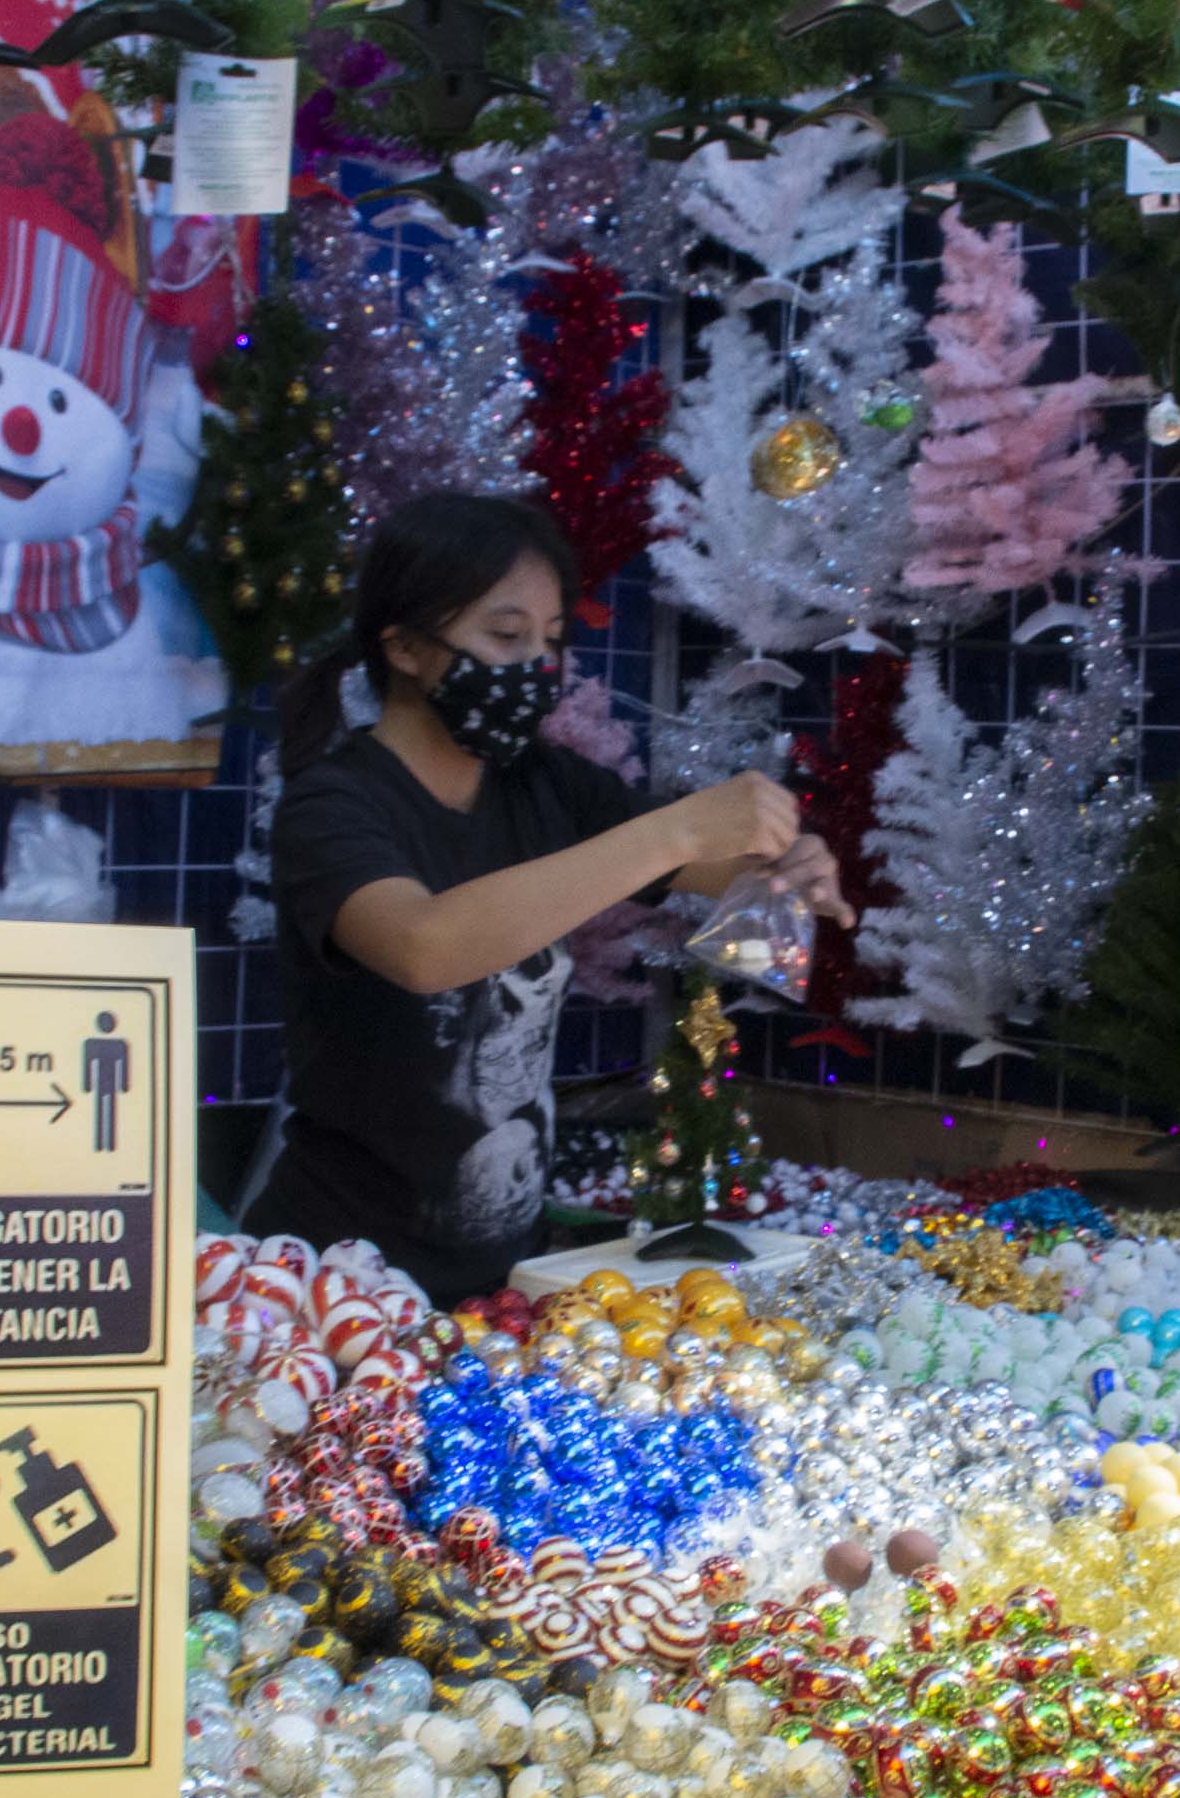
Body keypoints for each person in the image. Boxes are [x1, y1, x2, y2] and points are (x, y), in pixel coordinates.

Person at [243, 491, 850, 1303]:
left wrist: (788, 863)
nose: (536, 665)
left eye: (552, 640)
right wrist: (675, 832)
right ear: (405, 645)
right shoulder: (332, 807)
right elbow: (425, 947)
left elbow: (718, 865)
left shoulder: (546, 785)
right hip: (339, 1284)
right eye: (506, 635)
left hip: (506, 1280)